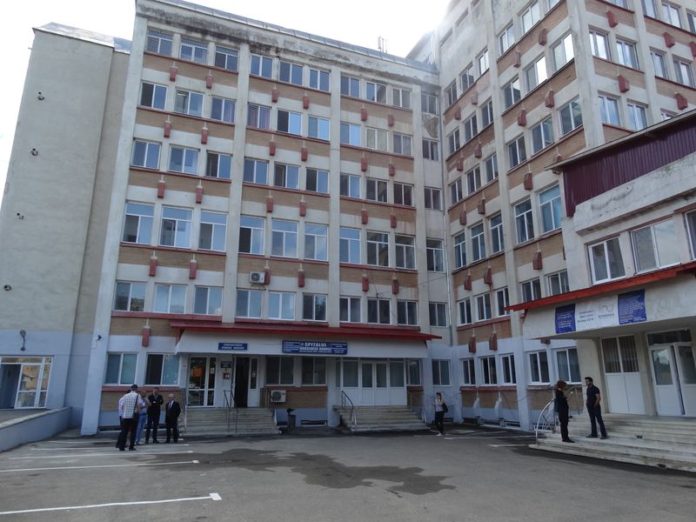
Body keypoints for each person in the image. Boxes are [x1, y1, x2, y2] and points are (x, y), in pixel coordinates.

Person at [116, 384, 141, 451]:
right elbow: (138, 405)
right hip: (133, 416)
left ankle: (121, 447)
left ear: (131, 388)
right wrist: (138, 412)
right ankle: (131, 446)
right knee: (133, 431)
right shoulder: (137, 395)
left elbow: (122, 406)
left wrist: (124, 412)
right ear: (136, 389)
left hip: (125, 416)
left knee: (124, 431)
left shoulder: (125, 395)